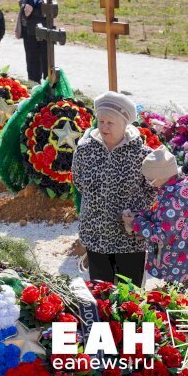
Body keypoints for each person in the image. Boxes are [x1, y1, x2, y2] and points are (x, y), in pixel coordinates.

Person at [71, 91, 156, 286]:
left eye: (110, 123)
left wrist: (136, 213)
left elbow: (153, 189)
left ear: (125, 124)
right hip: (95, 235)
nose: (104, 127)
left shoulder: (142, 154)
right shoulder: (84, 151)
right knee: (101, 294)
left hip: (130, 238)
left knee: (131, 295)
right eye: (101, 121)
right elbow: (79, 181)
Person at [122, 147, 188, 283]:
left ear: (161, 176)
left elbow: (161, 235)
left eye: (150, 179)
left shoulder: (172, 200)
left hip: (170, 264)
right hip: (178, 259)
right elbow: (163, 217)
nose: (150, 184)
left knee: (169, 293)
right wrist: (139, 215)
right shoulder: (177, 190)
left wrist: (135, 223)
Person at [18, 0, 47, 83]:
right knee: (31, 58)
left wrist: (33, 11)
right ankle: (33, 82)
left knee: (44, 59)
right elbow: (24, 12)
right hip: (30, 32)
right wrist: (26, 13)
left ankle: (47, 85)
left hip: (44, 33)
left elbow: (49, 13)